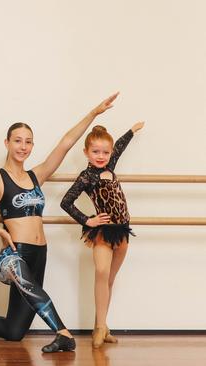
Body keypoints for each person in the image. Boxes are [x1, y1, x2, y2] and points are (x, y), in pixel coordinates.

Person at [0, 93, 120, 353]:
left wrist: (93, 113)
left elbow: (65, 144)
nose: (23, 147)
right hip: (15, 253)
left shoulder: (35, 175)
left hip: (39, 252)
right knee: (33, 293)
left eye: (28, 142)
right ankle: (63, 334)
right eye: (17, 141)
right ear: (7, 143)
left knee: (14, 331)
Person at [60, 122, 144, 348]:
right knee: (101, 271)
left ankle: (104, 325)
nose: (101, 156)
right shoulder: (87, 176)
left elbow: (119, 147)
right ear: (86, 152)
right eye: (95, 152)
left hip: (123, 230)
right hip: (103, 231)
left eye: (105, 152)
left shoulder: (111, 165)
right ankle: (98, 328)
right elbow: (66, 202)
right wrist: (87, 220)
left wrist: (131, 131)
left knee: (109, 279)